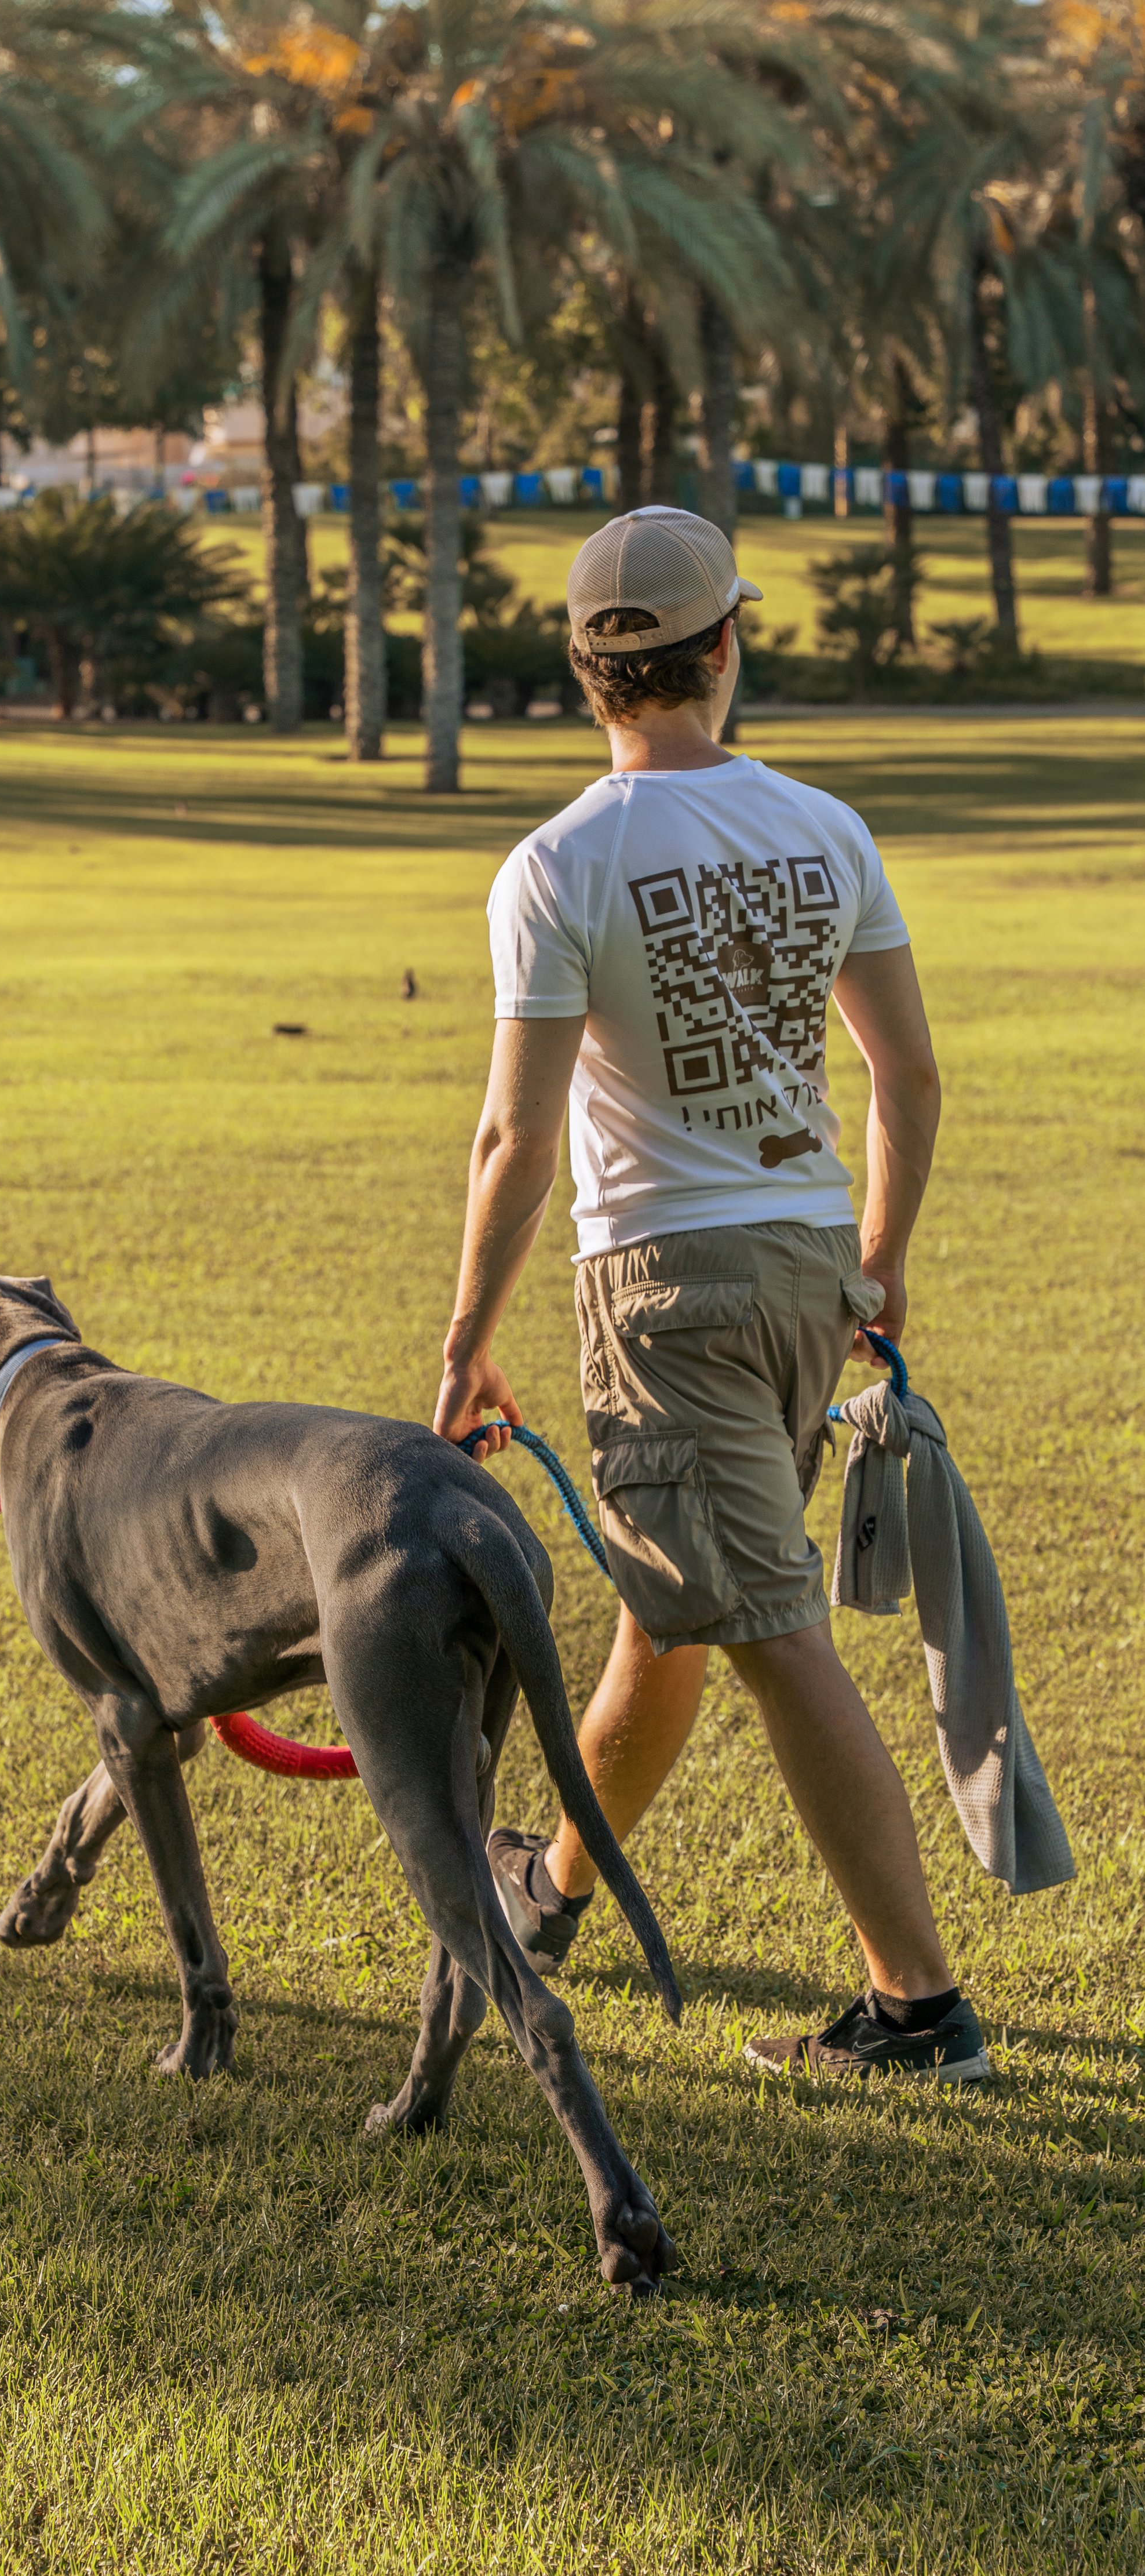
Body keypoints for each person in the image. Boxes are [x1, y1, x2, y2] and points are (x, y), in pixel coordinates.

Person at [432, 505, 988, 2083]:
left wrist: (465, 1338)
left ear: (584, 674)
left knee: (764, 1627)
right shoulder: (826, 828)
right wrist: (874, 1263)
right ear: (725, 643)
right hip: (808, 1266)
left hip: (664, 1293)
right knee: (668, 1620)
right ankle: (543, 1889)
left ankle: (916, 2007)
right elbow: (908, 1074)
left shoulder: (554, 866)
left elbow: (515, 1135)